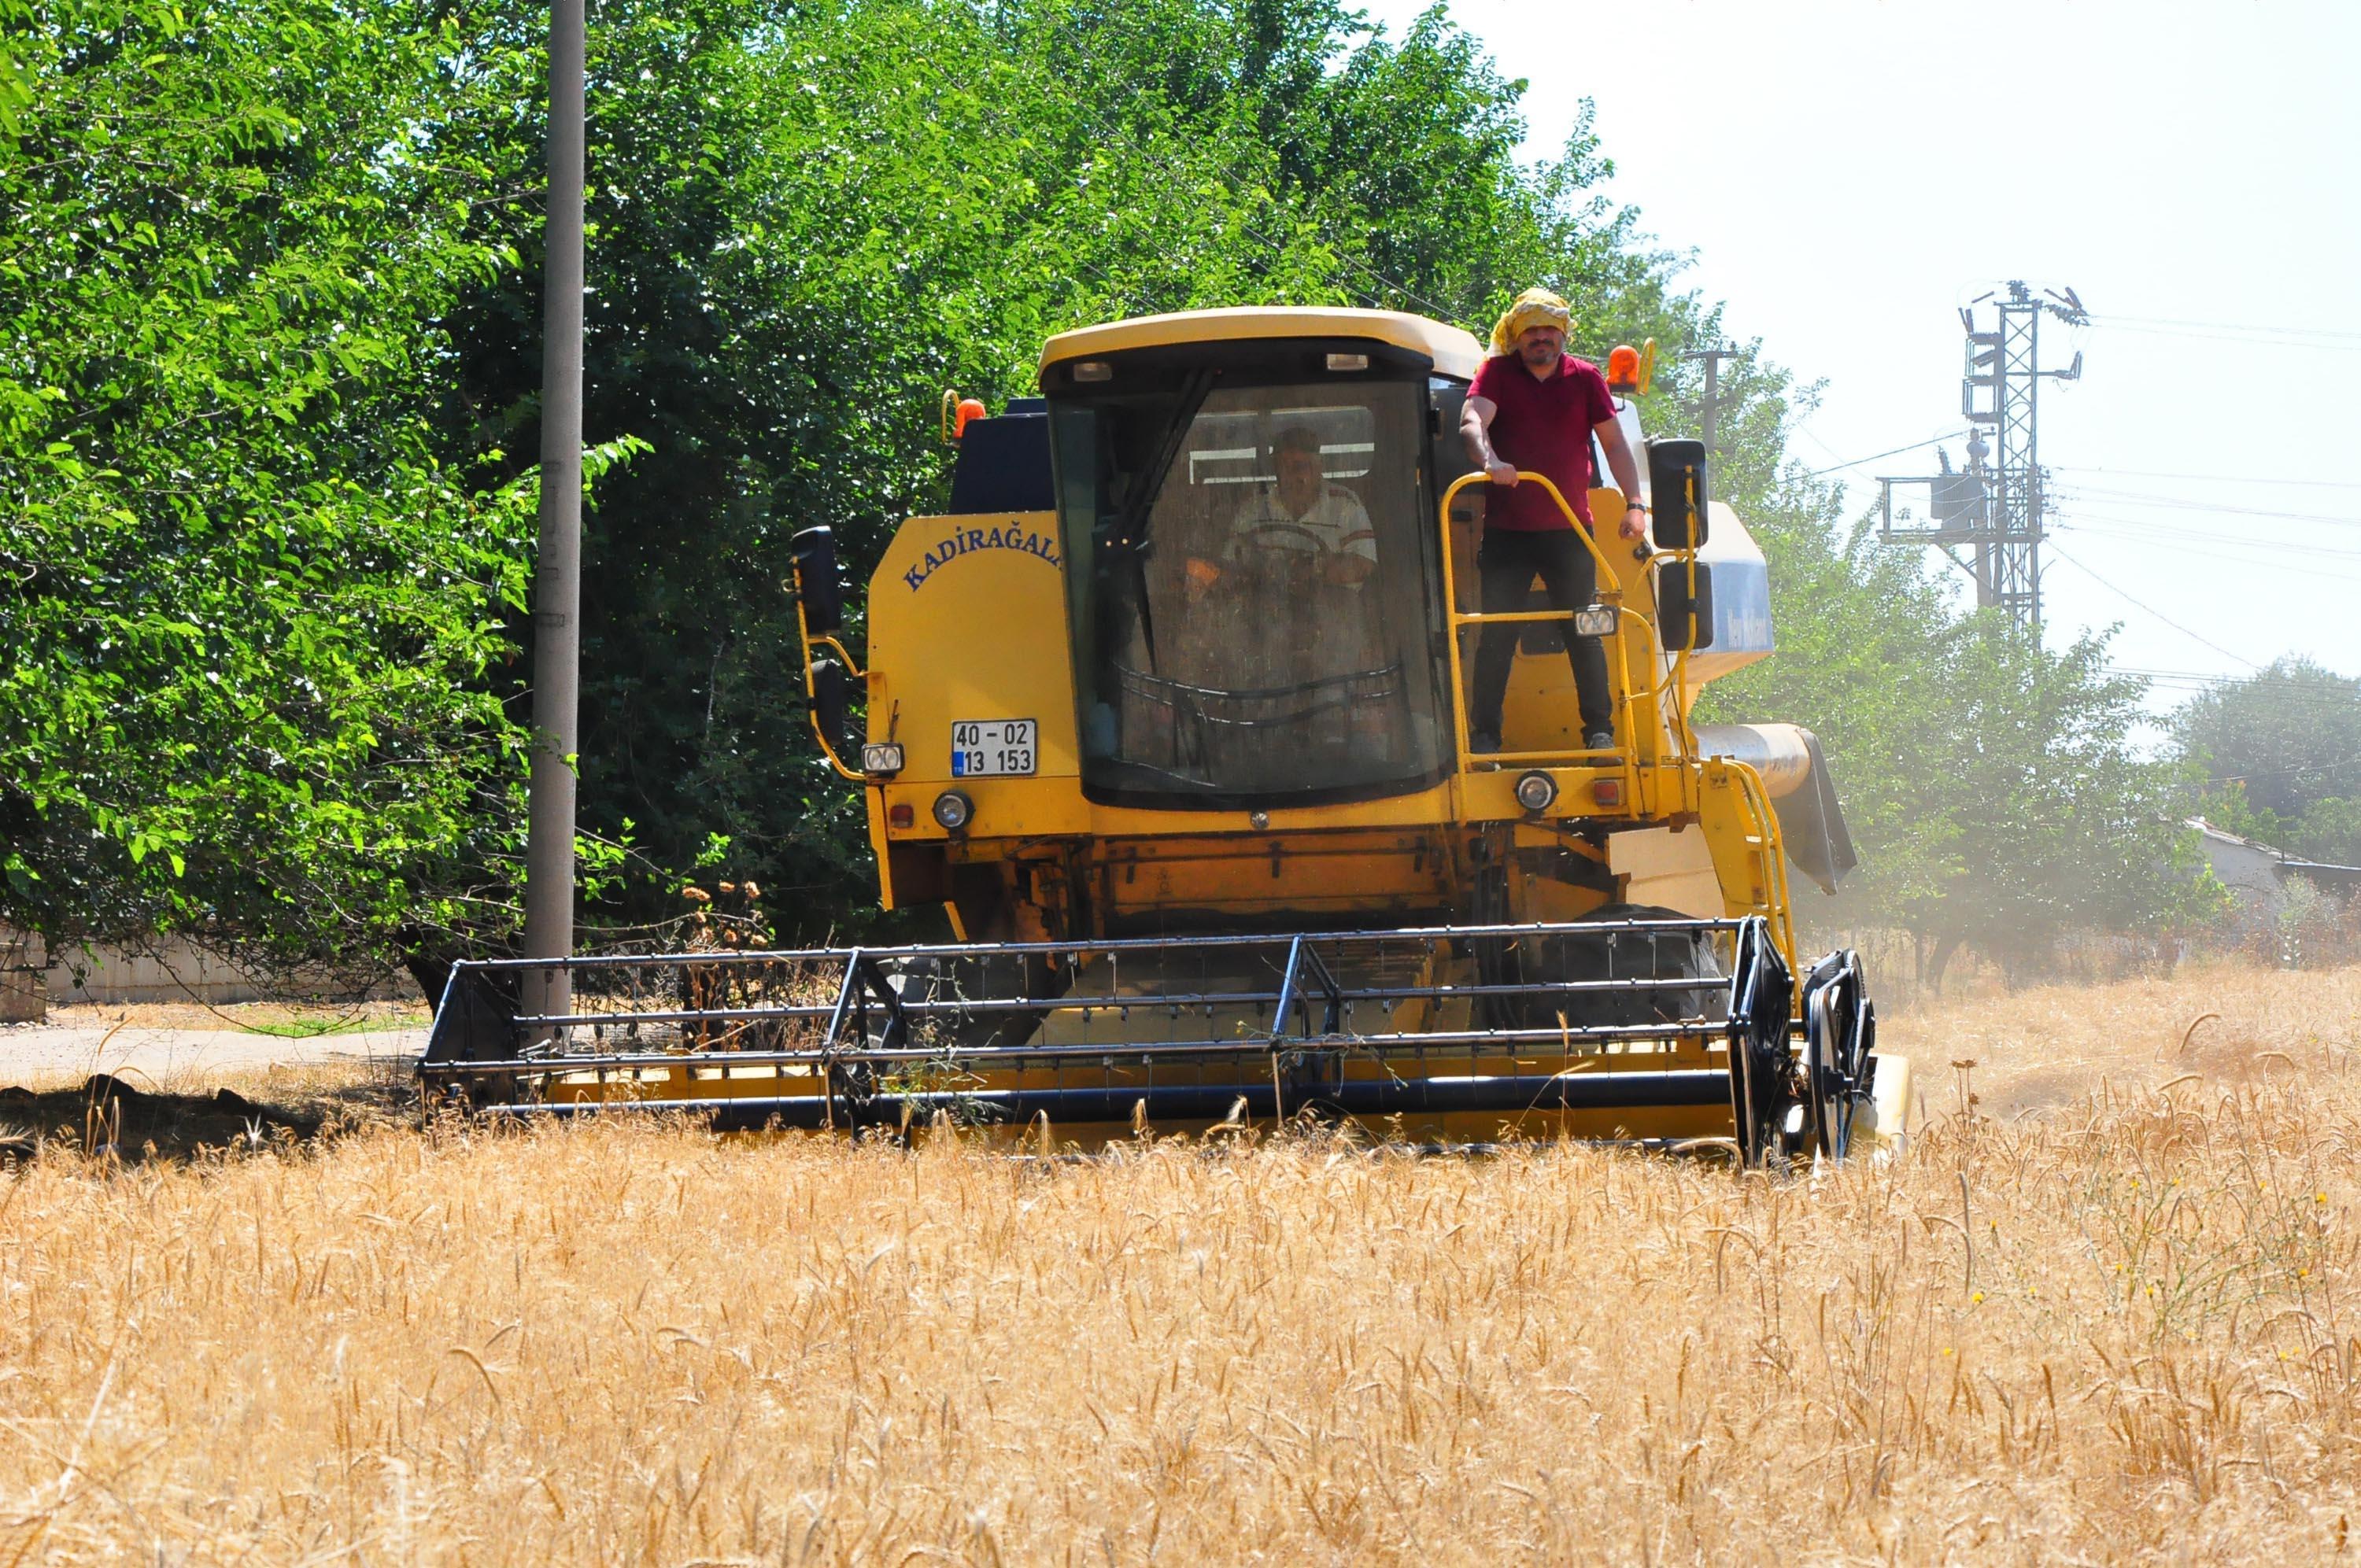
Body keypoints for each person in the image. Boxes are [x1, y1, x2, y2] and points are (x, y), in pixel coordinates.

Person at [1458, 287, 1647, 755]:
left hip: (1568, 529)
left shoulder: (1585, 378)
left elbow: (1615, 445)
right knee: (1497, 636)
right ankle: (1485, 738)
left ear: (1562, 333)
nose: (1540, 338)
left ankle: (1599, 732)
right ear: (1517, 337)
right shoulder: (1496, 374)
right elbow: (1471, 422)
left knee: (1584, 629)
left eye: (1548, 330)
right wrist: (1490, 461)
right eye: (1531, 331)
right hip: (1508, 534)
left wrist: (1636, 503)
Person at [1225, 424, 1376, 585]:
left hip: (1332, 606)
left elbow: (1364, 565)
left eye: (1300, 467)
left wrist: (1314, 570)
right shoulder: (1252, 508)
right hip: (1266, 604)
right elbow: (1229, 565)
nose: (1291, 475)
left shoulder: (1346, 505)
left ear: (1319, 467)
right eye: (1283, 467)